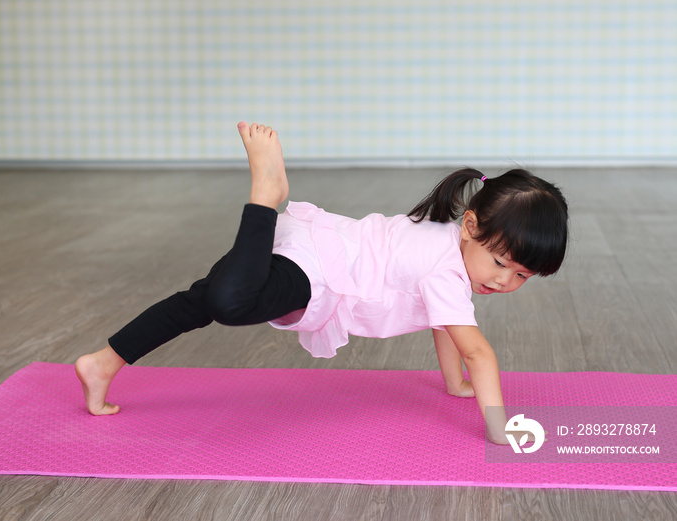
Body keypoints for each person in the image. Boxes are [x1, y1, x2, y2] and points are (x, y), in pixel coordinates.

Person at [75, 121, 569, 445]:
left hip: (313, 247)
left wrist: (454, 383)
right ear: (471, 225)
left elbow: (446, 327)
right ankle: (265, 197)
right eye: (501, 263)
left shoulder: (451, 246)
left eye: (522, 276)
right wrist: (498, 427)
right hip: (320, 272)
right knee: (228, 301)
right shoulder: (445, 270)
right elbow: (478, 349)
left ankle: (103, 362)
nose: (504, 281)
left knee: (200, 301)